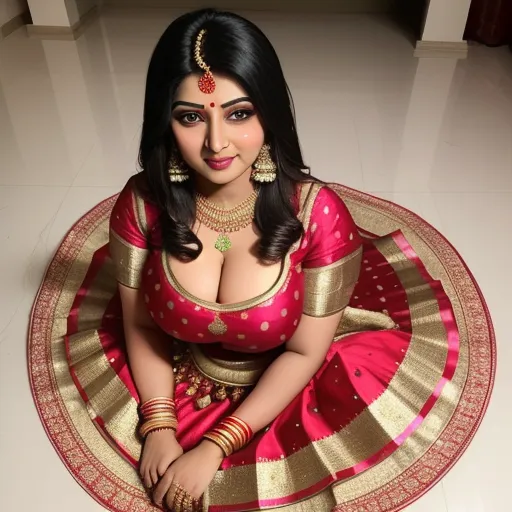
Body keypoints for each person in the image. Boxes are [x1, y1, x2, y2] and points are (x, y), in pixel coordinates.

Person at [31, 7, 488, 512]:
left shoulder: (318, 216)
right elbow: (142, 326)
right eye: (190, 117)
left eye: (239, 113)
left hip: (290, 373)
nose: (216, 142)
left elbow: (302, 352)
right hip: (180, 370)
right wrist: (158, 424)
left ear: (268, 113)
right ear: (164, 121)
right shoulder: (142, 204)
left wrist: (214, 445)